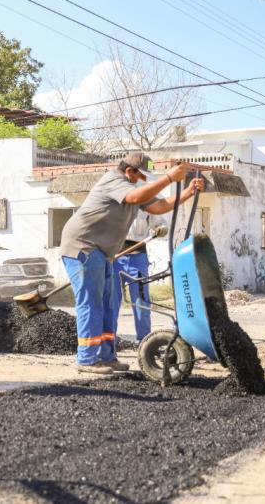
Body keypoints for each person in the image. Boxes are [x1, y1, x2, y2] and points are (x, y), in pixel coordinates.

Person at [59, 153, 203, 374]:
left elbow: (159, 206)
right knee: (91, 303)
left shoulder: (133, 187)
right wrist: (168, 178)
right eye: (141, 176)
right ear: (129, 171)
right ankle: (86, 359)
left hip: (103, 252)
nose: (143, 181)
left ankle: (106, 357)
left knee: (108, 306)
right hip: (83, 247)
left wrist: (187, 192)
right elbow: (135, 197)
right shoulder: (113, 180)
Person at [114, 211, 165, 344]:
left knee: (141, 302)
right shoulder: (114, 202)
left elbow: (160, 224)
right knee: (111, 302)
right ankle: (109, 342)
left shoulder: (146, 204)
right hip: (114, 258)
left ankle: (144, 341)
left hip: (138, 258)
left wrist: (161, 229)